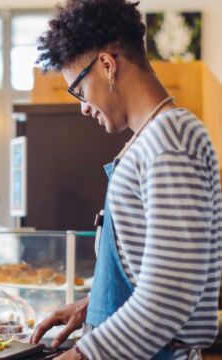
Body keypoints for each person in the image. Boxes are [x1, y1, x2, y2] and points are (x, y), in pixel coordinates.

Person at [29, 0, 222, 359]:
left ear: (106, 64)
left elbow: (168, 297)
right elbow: (147, 272)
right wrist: (94, 303)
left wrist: (81, 355)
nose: (83, 107)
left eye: (79, 91)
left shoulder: (170, 142)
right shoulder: (152, 139)